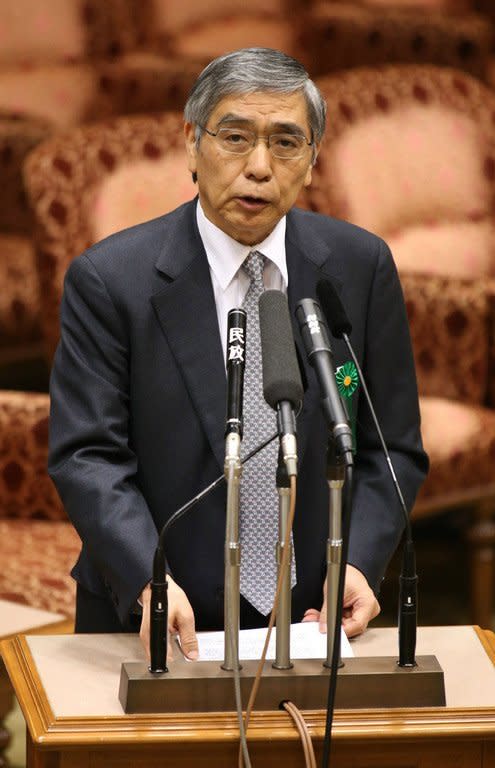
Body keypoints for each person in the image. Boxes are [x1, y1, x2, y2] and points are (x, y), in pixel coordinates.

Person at [48, 47, 428, 660]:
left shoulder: (358, 268)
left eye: (285, 143)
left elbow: (392, 445)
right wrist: (149, 579)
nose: (258, 167)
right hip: (155, 612)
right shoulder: (111, 280)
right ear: (192, 144)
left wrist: (357, 558)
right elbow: (87, 456)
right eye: (234, 137)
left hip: (316, 614)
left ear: (312, 162)